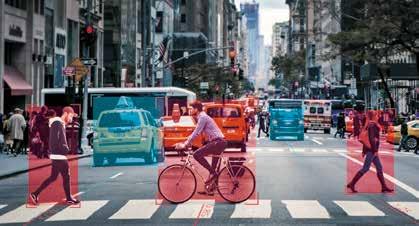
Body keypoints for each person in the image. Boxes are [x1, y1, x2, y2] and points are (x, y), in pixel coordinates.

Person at [174, 101, 227, 195]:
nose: (190, 110)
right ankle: (209, 188)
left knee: (196, 155)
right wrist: (185, 142)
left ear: (196, 109)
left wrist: (185, 144)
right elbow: (195, 133)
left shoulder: (203, 117)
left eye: (192, 109)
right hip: (219, 142)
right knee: (213, 167)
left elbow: (196, 132)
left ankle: (214, 174)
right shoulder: (202, 117)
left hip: (218, 142)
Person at [30, 107, 80, 205]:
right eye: (71, 116)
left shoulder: (58, 123)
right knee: (66, 176)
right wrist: (64, 148)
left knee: (53, 177)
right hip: (59, 155)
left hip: (57, 155)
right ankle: (69, 198)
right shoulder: (57, 123)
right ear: (66, 113)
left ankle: (35, 193)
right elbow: (53, 139)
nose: (71, 119)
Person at [346, 110, 393, 193]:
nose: (377, 116)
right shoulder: (372, 125)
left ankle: (384, 186)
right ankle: (352, 183)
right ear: (373, 116)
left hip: (371, 149)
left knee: (379, 168)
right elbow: (371, 138)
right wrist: (374, 150)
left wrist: (364, 150)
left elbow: (366, 138)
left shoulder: (369, 124)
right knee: (365, 168)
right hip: (372, 150)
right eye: (376, 115)